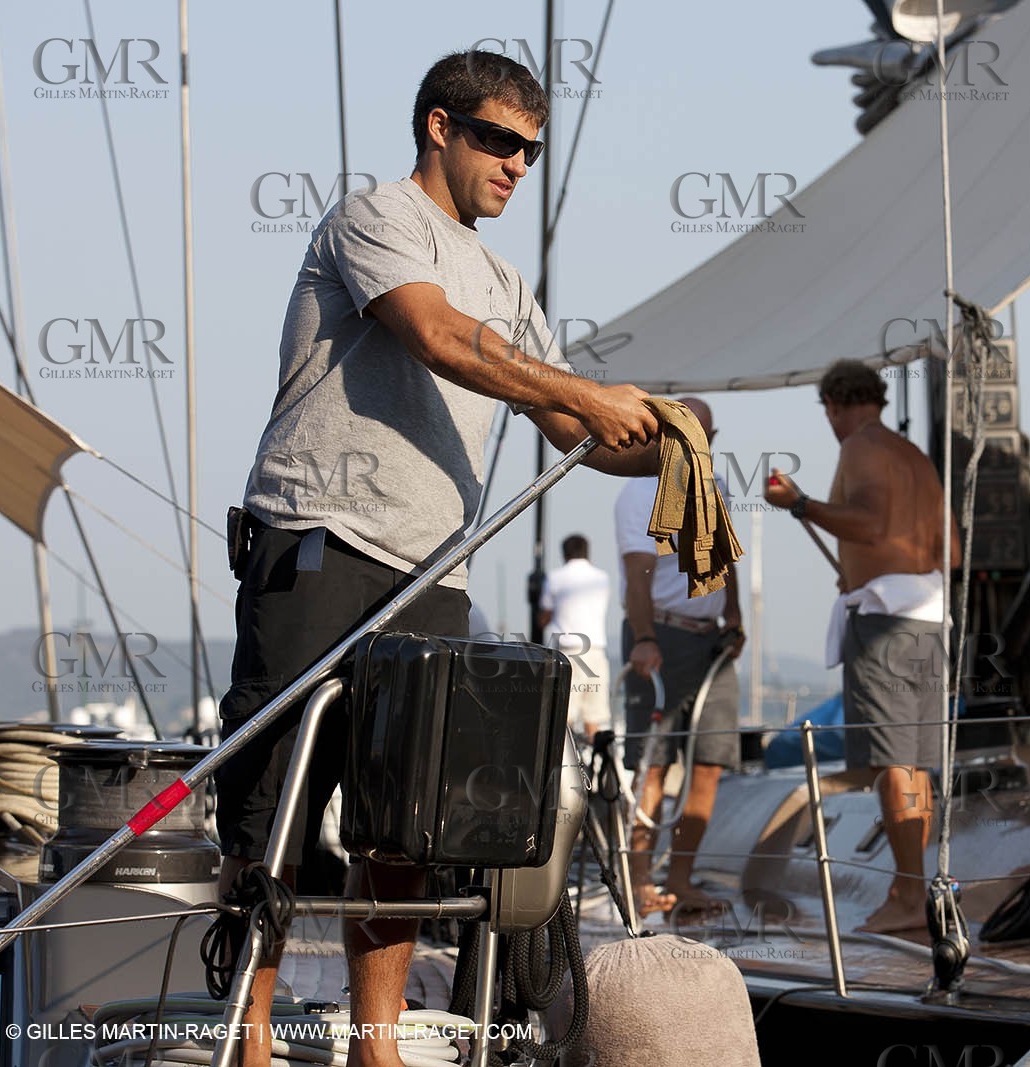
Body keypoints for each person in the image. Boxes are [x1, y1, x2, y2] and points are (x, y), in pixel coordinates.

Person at [221, 51, 659, 1067]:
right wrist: (591, 396)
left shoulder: (508, 281)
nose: (516, 165)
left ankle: (374, 1051)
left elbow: (563, 422)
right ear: (438, 127)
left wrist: (673, 441)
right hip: (324, 543)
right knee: (271, 804)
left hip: (433, 577)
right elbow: (435, 334)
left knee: (403, 829)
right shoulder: (374, 218)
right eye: (499, 141)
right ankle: (247, 1042)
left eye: (531, 152)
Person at [764, 360, 956, 934]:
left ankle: (907, 897)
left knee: (892, 762)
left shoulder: (861, 447)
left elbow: (871, 525)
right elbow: (952, 548)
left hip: (888, 626)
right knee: (915, 763)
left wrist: (799, 504)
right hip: (930, 616)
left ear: (835, 405)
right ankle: (912, 885)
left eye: (826, 409)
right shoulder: (915, 457)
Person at [615, 397, 744, 919]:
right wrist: (645, 639)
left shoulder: (716, 486)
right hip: (661, 638)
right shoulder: (638, 492)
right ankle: (641, 883)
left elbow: (726, 558)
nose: (700, 445)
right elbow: (637, 578)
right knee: (654, 764)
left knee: (710, 762)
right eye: (690, 433)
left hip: (711, 638)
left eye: (706, 435)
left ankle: (682, 879)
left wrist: (735, 617)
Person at [538, 534, 612, 739]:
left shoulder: (555, 578)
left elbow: (544, 616)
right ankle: (597, 767)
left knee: (564, 716)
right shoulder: (602, 577)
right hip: (597, 650)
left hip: (569, 652)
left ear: (564, 553)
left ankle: (563, 766)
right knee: (594, 718)